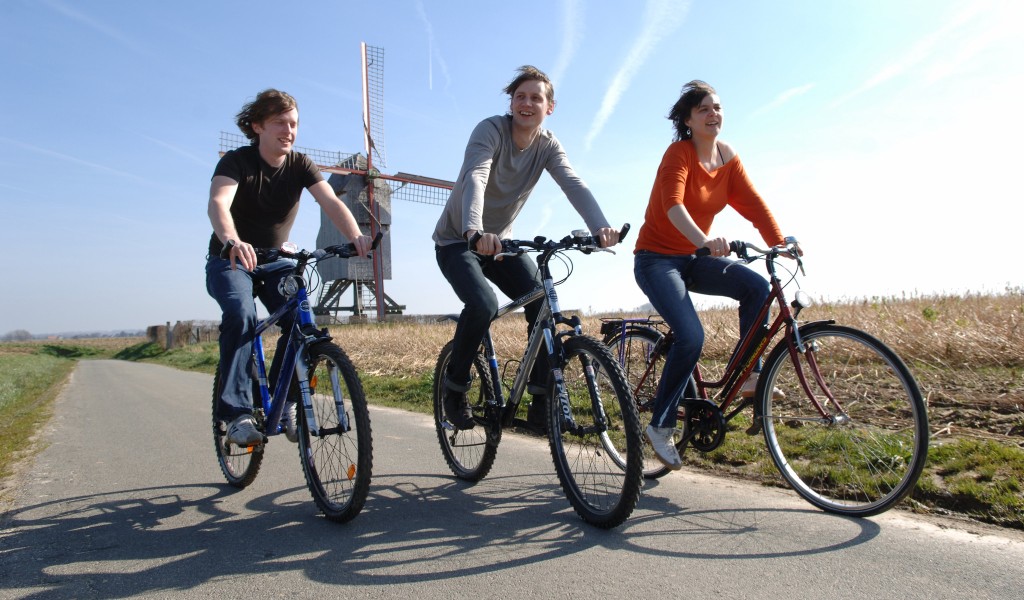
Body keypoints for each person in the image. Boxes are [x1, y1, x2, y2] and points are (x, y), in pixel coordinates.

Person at [433, 65, 620, 432]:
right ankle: (454, 389)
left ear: (549, 107)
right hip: (459, 240)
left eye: (536, 97)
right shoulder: (491, 130)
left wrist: (600, 226)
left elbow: (573, 183)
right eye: (520, 96)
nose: (527, 103)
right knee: (483, 304)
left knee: (541, 300)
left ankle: (539, 398)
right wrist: (473, 229)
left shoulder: (547, 145)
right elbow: (477, 175)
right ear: (511, 102)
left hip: (501, 242)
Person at [632, 80, 800, 470]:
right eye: (704, 109)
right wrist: (704, 240)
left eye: (718, 108)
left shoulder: (727, 158)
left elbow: (753, 204)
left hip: (694, 257)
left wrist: (779, 241)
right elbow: (672, 205)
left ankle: (747, 377)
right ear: (688, 119)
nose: (714, 114)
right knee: (691, 335)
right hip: (656, 259)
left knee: (756, 287)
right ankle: (659, 424)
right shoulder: (678, 154)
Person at [207, 89, 372, 446]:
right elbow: (219, 203)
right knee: (241, 315)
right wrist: (232, 240)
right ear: (257, 126)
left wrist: (357, 235)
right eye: (280, 122)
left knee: (300, 320)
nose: (289, 130)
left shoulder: (300, 164)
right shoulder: (237, 162)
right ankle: (237, 413)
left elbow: (330, 201)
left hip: (276, 260)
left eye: (294, 123)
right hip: (231, 259)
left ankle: (287, 403)